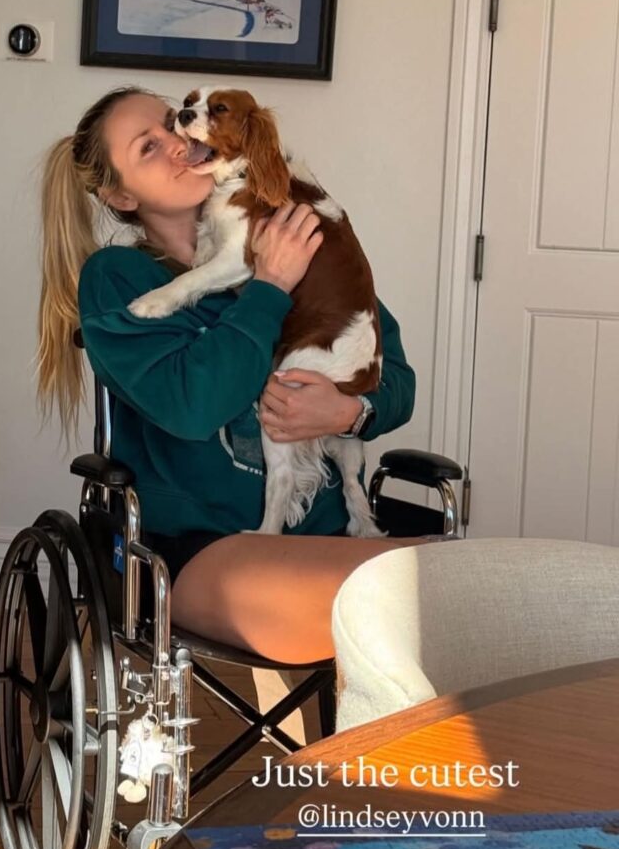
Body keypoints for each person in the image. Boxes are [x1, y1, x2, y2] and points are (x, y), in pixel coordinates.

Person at [38, 87, 423, 666]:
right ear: (120, 195)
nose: (176, 142)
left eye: (171, 123)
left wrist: (350, 412)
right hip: (204, 550)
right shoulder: (119, 279)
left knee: (465, 585)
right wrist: (269, 285)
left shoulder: (290, 232)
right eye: (148, 148)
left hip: (330, 535)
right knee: (414, 602)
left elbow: (396, 378)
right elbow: (195, 408)